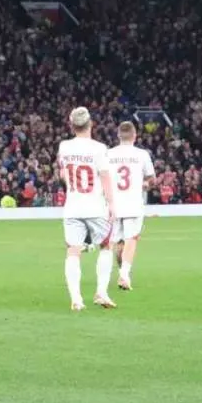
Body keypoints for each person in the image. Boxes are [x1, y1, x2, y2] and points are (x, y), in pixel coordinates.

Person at [57, 106, 116, 310]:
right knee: (106, 246)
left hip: (73, 206)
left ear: (71, 126)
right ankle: (101, 293)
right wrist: (112, 203)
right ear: (91, 124)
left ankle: (76, 299)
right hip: (95, 206)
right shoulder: (99, 148)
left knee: (73, 251)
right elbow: (105, 177)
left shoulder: (64, 146)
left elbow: (63, 174)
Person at [107, 121, 155, 290]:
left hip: (113, 204)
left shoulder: (108, 154)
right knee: (131, 239)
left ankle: (121, 271)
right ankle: (125, 274)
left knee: (118, 242)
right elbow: (151, 178)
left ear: (118, 136)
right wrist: (145, 184)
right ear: (135, 136)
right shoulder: (142, 154)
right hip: (133, 202)